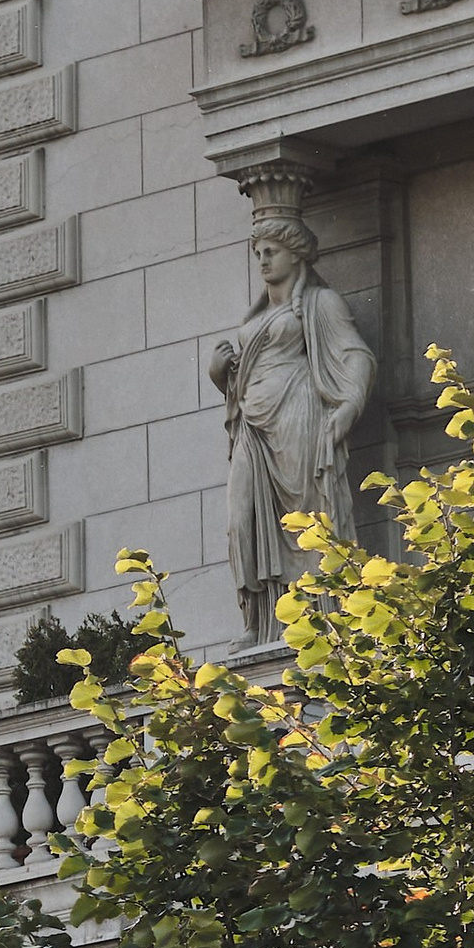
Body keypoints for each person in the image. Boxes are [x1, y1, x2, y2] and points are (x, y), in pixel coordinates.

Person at [208, 216, 374, 644]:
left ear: (295, 254)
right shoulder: (259, 316)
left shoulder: (320, 303)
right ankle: (258, 621)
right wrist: (219, 373)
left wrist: (350, 404)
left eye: (271, 251)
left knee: (306, 521)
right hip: (252, 424)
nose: (262, 260)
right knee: (240, 520)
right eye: (257, 253)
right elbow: (241, 377)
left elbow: (355, 355)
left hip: (298, 417)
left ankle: (316, 616)